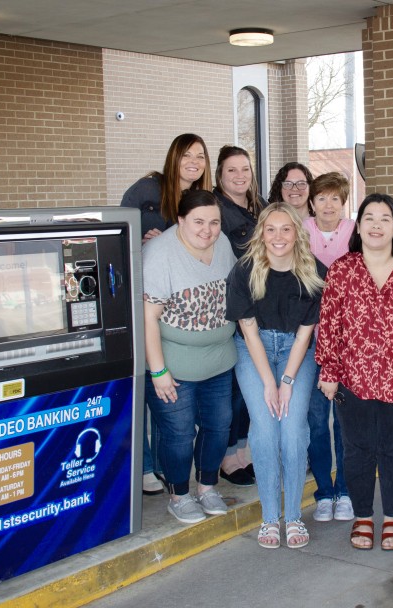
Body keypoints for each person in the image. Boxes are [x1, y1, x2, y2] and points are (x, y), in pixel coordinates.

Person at [316, 193, 393, 551]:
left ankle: (392, 518)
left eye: (385, 218)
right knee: (358, 450)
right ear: (358, 225)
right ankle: (363, 516)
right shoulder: (342, 269)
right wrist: (329, 371)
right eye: (369, 217)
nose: (377, 225)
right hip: (353, 378)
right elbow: (330, 324)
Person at [227, 203, 326, 549]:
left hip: (297, 351)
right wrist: (269, 382)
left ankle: (294, 515)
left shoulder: (314, 272)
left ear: (298, 233)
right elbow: (248, 330)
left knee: (294, 429)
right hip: (253, 350)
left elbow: (305, 333)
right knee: (266, 428)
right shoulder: (244, 271)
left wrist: (286, 381)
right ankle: (271, 517)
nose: (278, 236)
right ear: (261, 234)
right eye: (271, 229)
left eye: (286, 229)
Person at [121, 133, 213, 495]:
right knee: (148, 382)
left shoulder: (197, 200)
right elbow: (120, 230)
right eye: (187, 155)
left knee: (168, 392)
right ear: (173, 157)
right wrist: (140, 240)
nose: (194, 162)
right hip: (146, 298)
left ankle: (161, 465)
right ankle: (143, 465)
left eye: (201, 156)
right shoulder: (147, 189)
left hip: (181, 308)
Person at [142, 189, 236, 524]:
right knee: (180, 433)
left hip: (220, 361)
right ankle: (179, 494)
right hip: (174, 365)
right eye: (198, 221)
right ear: (180, 220)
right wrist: (158, 371)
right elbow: (148, 316)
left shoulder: (222, 243)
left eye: (214, 222)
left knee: (218, 426)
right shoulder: (159, 253)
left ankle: (207, 486)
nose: (207, 230)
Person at [213, 145, 269, 487]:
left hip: (262, 303)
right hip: (234, 306)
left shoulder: (259, 205)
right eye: (232, 170)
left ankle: (244, 449)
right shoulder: (216, 208)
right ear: (220, 175)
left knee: (253, 383)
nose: (239, 176)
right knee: (235, 387)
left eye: (245, 169)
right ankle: (227, 456)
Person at [302, 172, 356, 522]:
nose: (328, 205)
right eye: (321, 198)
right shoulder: (299, 230)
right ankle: (324, 491)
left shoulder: (356, 232)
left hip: (348, 343)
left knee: (346, 423)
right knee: (317, 421)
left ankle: (347, 490)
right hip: (308, 342)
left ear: (343, 202)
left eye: (335, 198)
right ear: (312, 202)